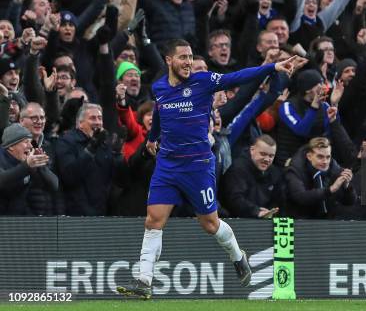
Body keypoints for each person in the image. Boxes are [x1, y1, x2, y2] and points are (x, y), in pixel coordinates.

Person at [117, 38, 296, 299]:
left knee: (210, 225)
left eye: (190, 56)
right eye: (182, 57)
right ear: (169, 61)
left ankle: (238, 255)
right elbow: (160, 115)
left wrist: (271, 67)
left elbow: (237, 77)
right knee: (153, 220)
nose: (188, 62)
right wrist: (153, 138)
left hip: (198, 165)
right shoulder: (159, 87)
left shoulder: (203, 82)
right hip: (167, 164)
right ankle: (144, 280)